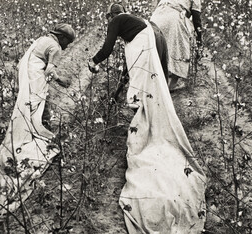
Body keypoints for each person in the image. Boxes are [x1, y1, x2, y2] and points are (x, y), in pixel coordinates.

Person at [89, 3, 206, 233]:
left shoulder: (118, 20)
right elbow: (127, 68)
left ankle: (143, 130)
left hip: (149, 43)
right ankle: (149, 123)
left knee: (140, 91)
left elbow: (107, 48)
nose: (109, 22)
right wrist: (114, 95)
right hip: (155, 42)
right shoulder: (138, 26)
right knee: (149, 88)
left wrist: (92, 61)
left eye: (109, 19)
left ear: (113, 16)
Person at [0, 23, 76, 213]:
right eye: (67, 42)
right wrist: (63, 81)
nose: (67, 46)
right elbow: (49, 71)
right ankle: (34, 133)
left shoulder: (42, 40)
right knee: (35, 109)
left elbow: (22, 63)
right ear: (62, 38)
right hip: (35, 79)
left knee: (28, 109)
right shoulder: (55, 47)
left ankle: (34, 127)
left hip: (26, 77)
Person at [151, 0, 203, 91]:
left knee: (156, 49)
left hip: (156, 16)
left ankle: (155, 82)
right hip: (173, 18)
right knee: (179, 49)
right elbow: (196, 18)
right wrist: (199, 39)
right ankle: (171, 85)